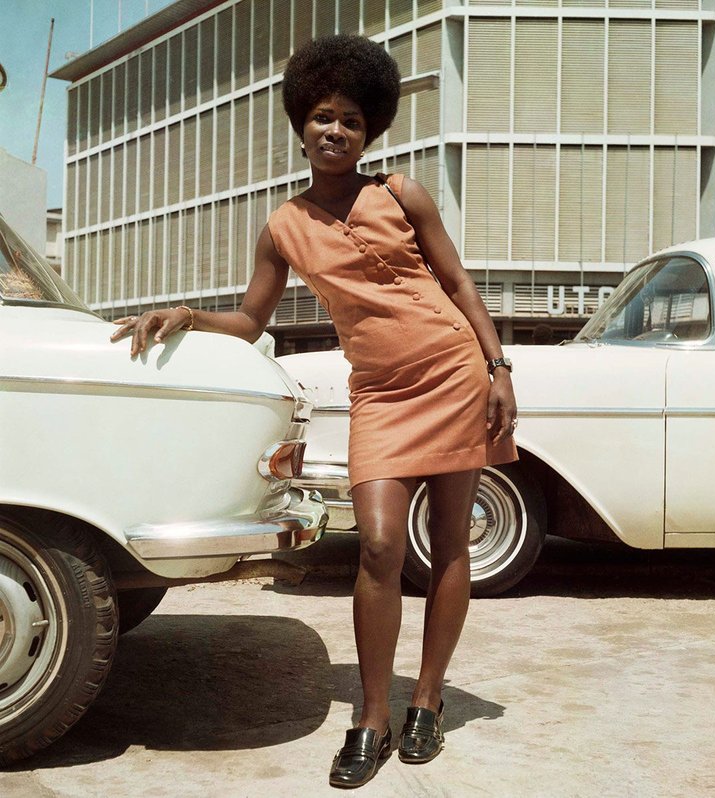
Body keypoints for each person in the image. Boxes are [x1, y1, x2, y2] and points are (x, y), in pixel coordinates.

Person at [111, 34, 518, 789]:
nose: (337, 131)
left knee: (453, 543)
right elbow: (252, 320)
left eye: (353, 122)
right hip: (380, 395)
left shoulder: (401, 192)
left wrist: (498, 367)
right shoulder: (282, 227)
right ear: (302, 122)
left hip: (455, 373)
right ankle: (372, 715)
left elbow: (459, 284)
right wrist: (187, 316)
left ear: (371, 132)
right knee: (380, 547)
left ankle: (426, 700)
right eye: (325, 117)